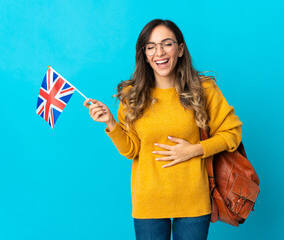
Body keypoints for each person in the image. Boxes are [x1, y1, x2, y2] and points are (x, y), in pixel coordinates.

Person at [84, 19, 243, 240]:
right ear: (145, 55)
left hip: (193, 201)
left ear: (180, 49)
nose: (159, 52)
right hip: (148, 202)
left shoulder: (204, 88)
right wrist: (111, 123)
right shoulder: (131, 95)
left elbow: (232, 134)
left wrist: (194, 150)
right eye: (151, 47)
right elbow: (131, 150)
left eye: (167, 44)